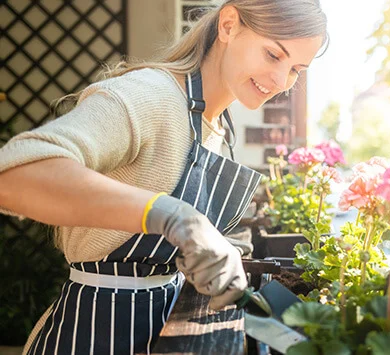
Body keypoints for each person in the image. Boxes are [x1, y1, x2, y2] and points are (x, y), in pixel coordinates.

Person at [0, 1, 328, 354]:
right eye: (272, 54)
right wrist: (174, 217)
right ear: (229, 25)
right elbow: (14, 174)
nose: (281, 81)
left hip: (164, 324)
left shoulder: (219, 127)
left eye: (296, 69)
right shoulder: (149, 95)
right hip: (94, 333)